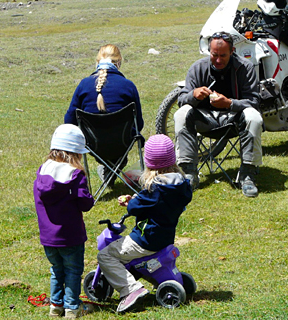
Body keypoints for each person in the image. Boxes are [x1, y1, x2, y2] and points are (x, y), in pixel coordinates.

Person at [97, 134, 193, 313]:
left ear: (149, 163)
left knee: (106, 256)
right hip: (165, 237)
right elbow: (156, 205)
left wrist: (130, 201)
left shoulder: (154, 188)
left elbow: (135, 208)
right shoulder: (181, 186)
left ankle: (130, 289)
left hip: (145, 239)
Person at [174, 31, 263, 197]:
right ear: (209, 51)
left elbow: (254, 102)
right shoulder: (198, 68)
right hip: (205, 120)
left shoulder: (245, 68)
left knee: (254, 116)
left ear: (232, 51)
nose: (218, 60)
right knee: (181, 113)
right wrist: (193, 95)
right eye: (214, 55)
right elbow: (181, 99)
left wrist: (229, 103)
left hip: (235, 121)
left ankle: (248, 174)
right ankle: (189, 173)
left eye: (223, 55)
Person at [33, 124, 95, 318]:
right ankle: (72, 308)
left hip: (48, 236)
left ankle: (56, 306)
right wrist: (89, 198)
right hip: (71, 236)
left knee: (56, 270)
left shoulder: (43, 171)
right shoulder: (75, 175)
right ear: (75, 153)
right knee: (73, 271)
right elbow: (85, 204)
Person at [64, 44, 144, 186]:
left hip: (93, 145)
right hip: (123, 143)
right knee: (121, 141)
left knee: (106, 143)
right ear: (118, 63)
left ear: (97, 62)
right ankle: (113, 167)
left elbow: (69, 121)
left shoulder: (84, 85)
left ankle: (109, 169)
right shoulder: (128, 85)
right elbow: (139, 123)